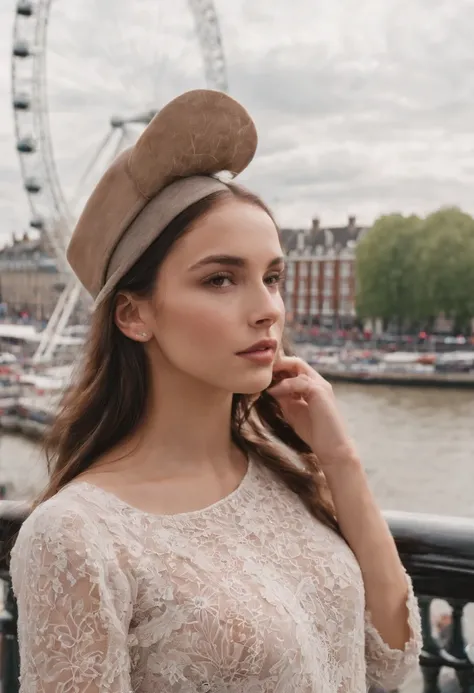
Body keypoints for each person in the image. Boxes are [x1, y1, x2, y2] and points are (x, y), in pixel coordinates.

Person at [10, 89, 421, 693]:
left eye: (272, 277)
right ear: (133, 314)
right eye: (221, 279)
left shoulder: (286, 474)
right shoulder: (76, 537)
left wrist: (341, 459)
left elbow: (392, 660)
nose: (267, 311)